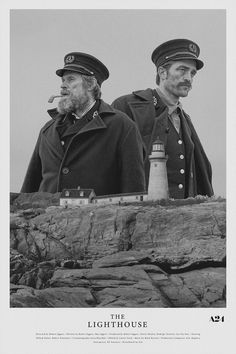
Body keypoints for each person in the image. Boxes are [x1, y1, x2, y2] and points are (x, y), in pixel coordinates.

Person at [21, 52, 145, 196]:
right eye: (63, 80)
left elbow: (134, 192)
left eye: (71, 80)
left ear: (91, 84)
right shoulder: (48, 130)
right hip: (47, 218)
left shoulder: (122, 126)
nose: (63, 86)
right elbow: (29, 189)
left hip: (99, 218)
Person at [112, 39, 214, 199]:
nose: (189, 78)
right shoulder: (128, 106)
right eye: (182, 70)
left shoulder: (185, 119)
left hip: (182, 216)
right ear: (162, 72)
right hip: (140, 214)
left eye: (192, 73)